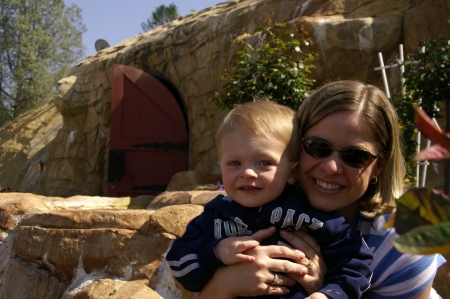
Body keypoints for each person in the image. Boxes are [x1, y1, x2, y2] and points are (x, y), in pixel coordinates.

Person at [194, 80, 446, 299]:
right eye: (317, 146)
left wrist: (322, 288)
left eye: (355, 155)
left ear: (379, 166)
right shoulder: (258, 205)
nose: (331, 167)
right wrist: (227, 282)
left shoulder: (403, 244)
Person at [166, 100, 373, 299]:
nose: (247, 172)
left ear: (292, 172)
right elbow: (178, 265)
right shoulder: (213, 219)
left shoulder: (313, 216)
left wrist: (328, 294)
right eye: (234, 162)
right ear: (220, 167)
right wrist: (216, 252)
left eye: (264, 163)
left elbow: (356, 264)